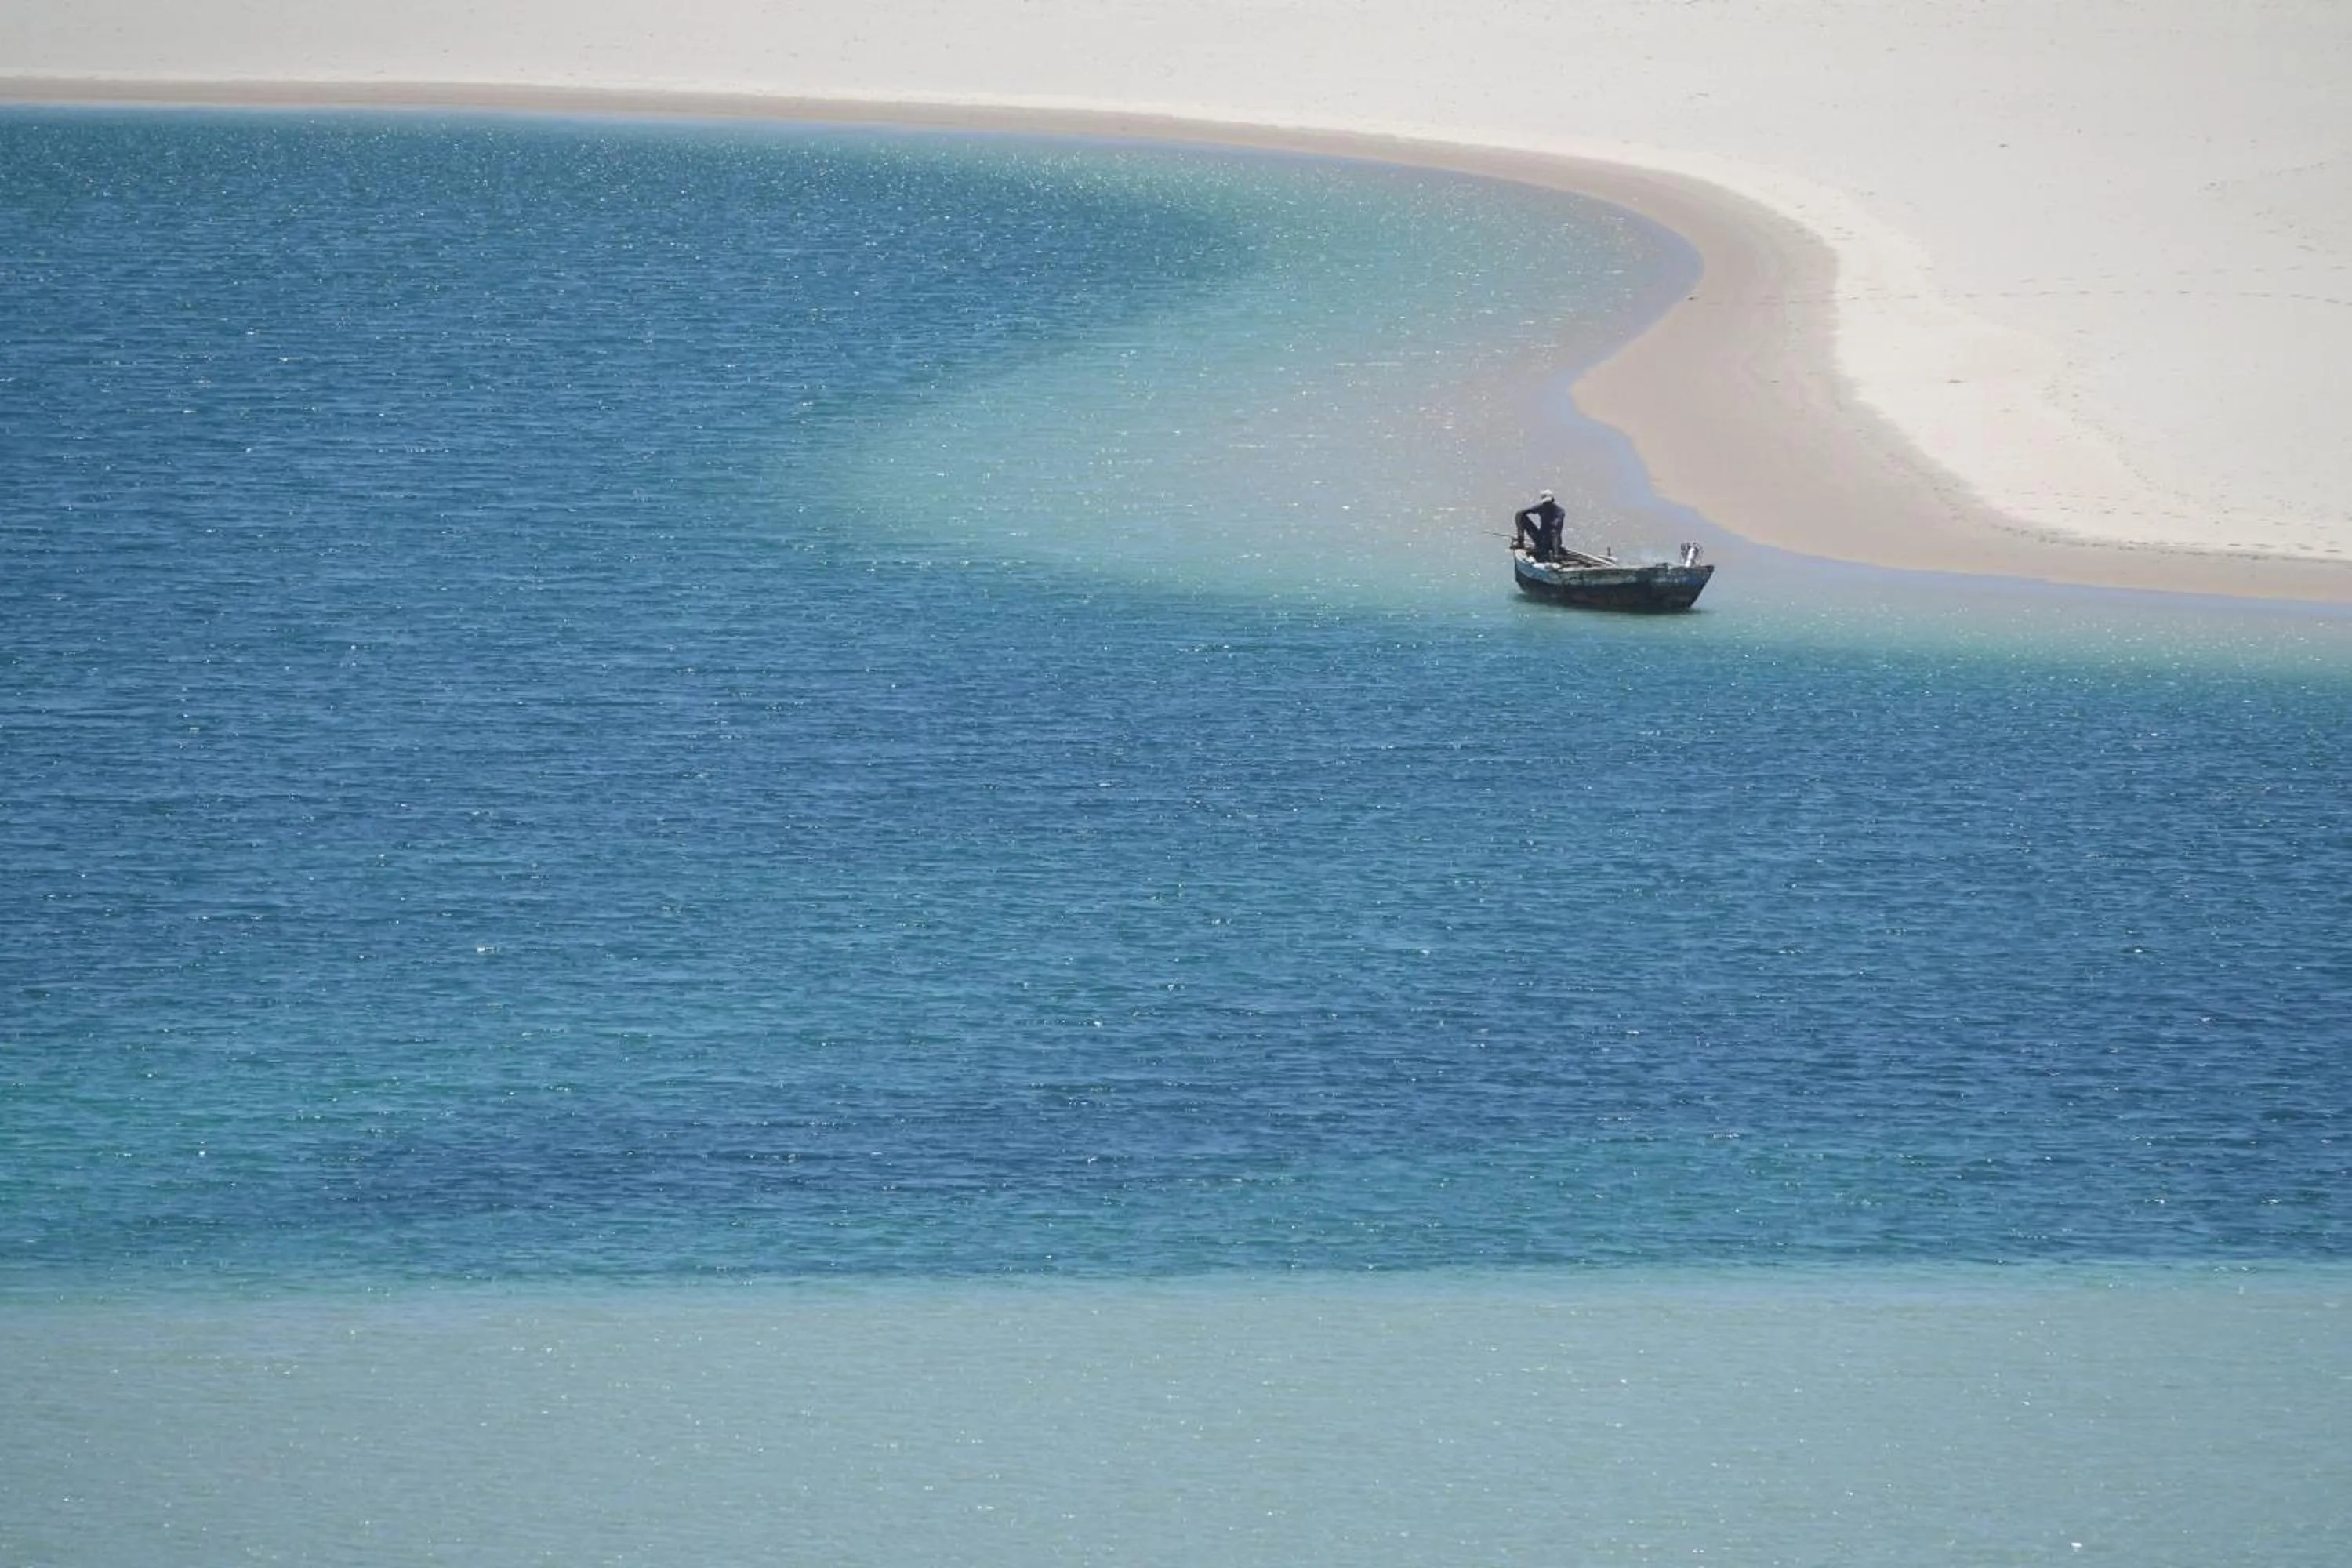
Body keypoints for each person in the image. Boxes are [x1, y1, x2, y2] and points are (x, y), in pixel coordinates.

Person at [1514, 489, 1566, 559]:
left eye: (1549, 503)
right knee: (1519, 514)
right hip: (1541, 540)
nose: (1547, 505)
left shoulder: (1560, 511)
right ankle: (1520, 542)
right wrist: (1520, 536)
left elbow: (1557, 524)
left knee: (1554, 531)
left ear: (1553, 500)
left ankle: (1556, 554)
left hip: (1553, 543)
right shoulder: (1541, 507)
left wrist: (1552, 523)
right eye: (1546, 503)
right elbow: (1520, 513)